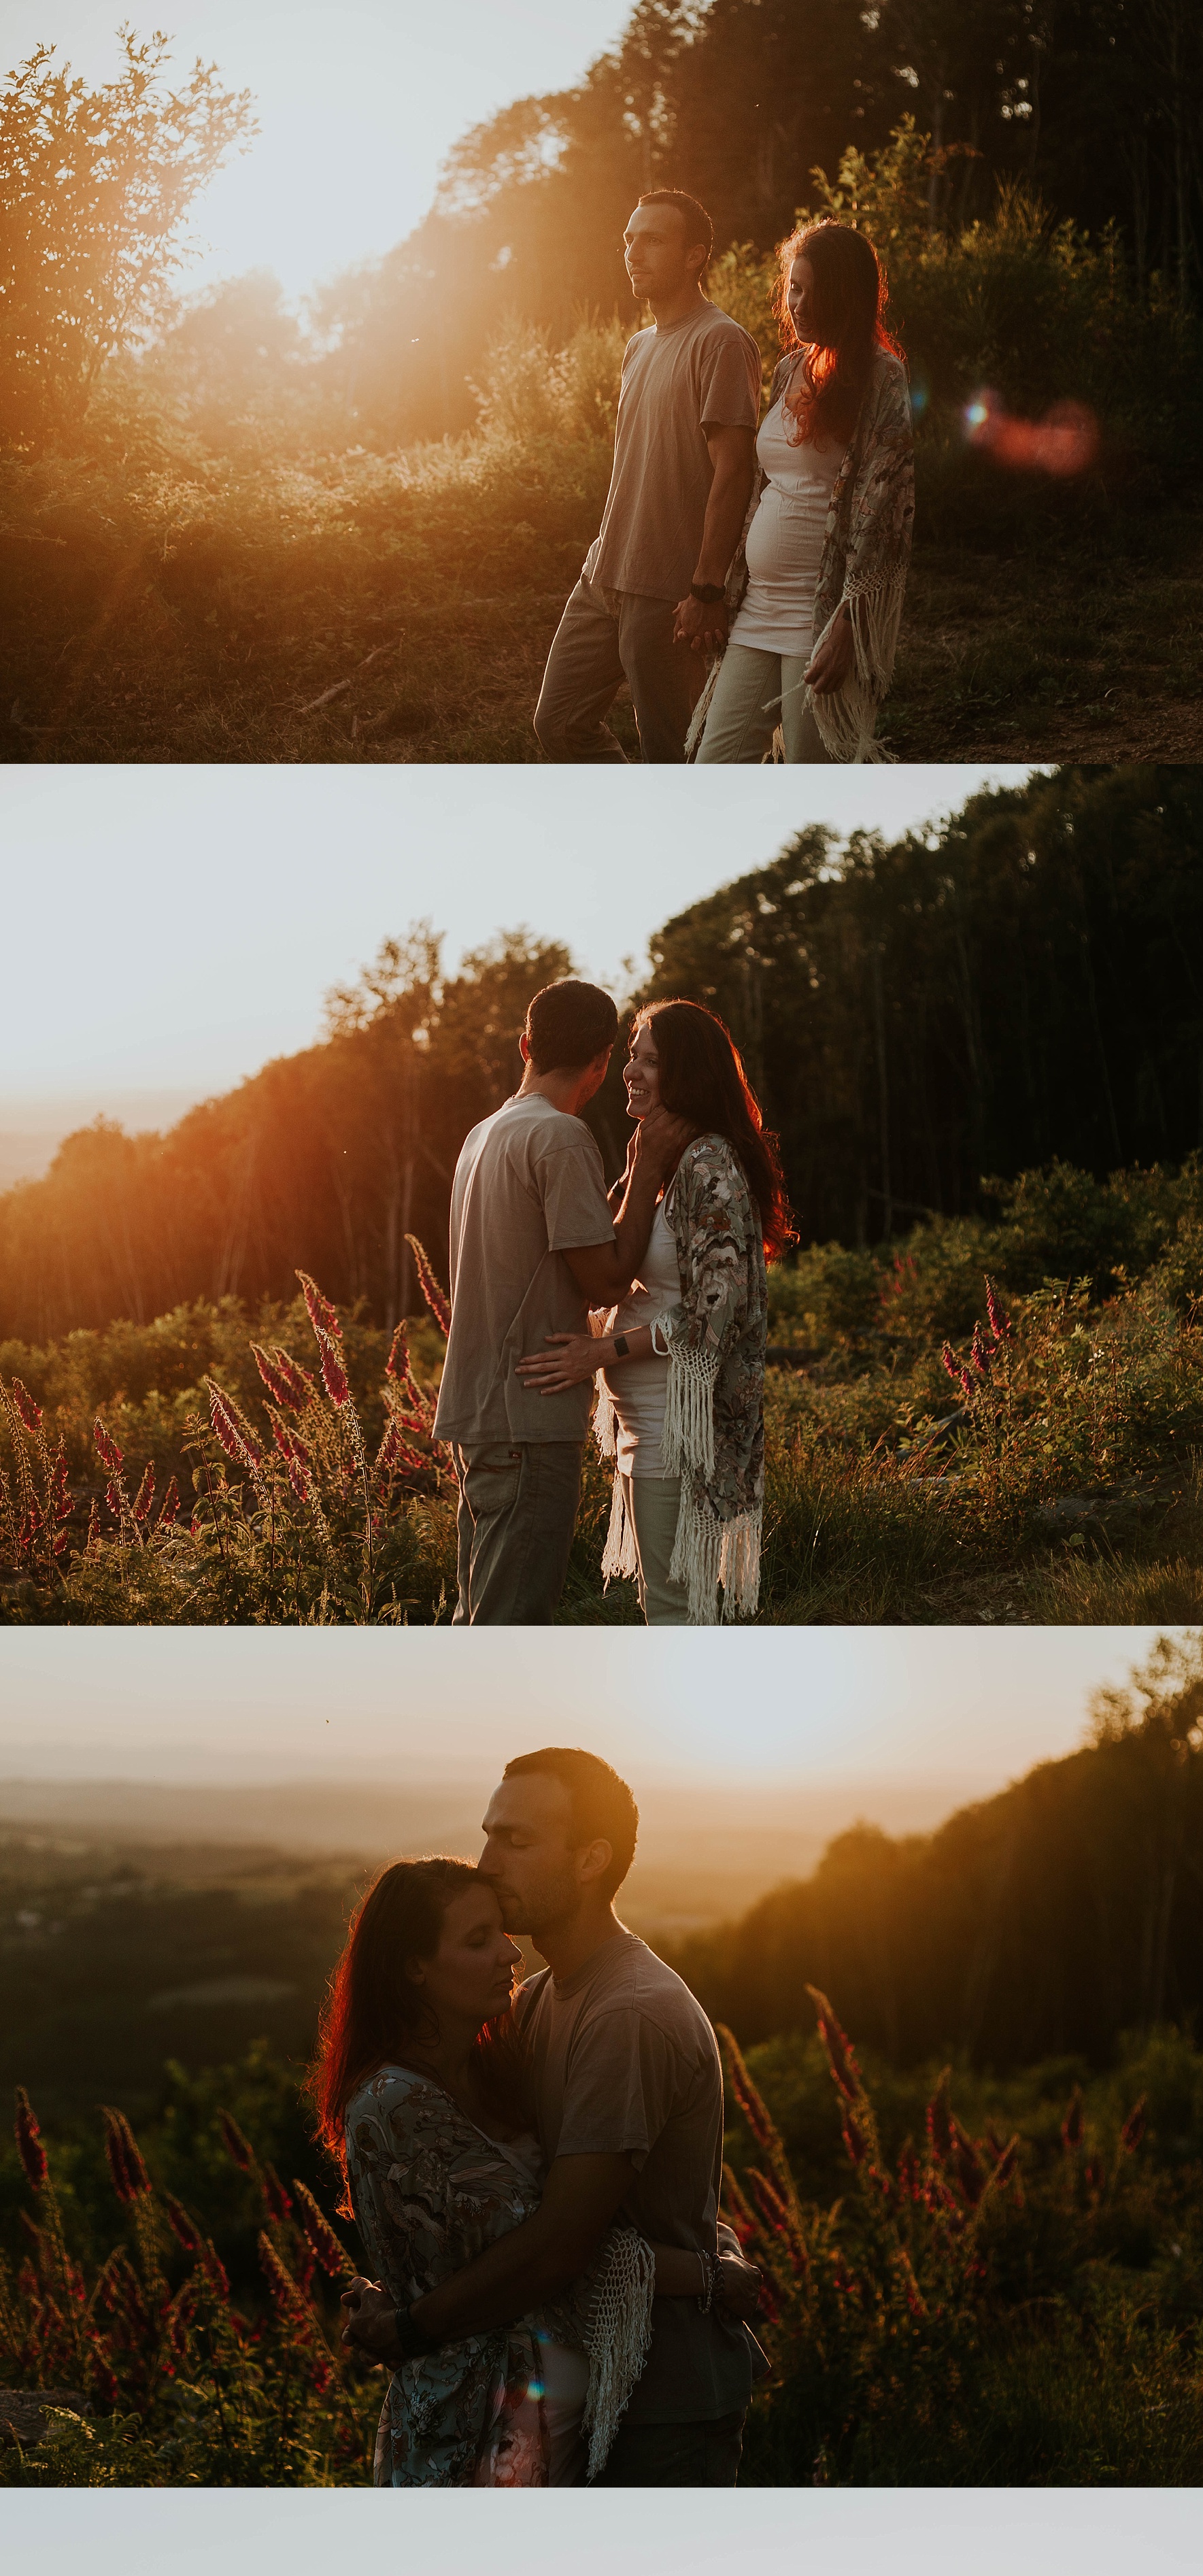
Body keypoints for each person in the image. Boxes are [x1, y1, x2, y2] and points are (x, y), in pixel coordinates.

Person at [338, 1749, 762, 2489]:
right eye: (489, 1834)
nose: (489, 1861)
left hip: (659, 2402)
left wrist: (410, 2325)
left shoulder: (628, 2013)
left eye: (517, 1841)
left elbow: (557, 2245)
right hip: (577, 2398)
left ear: (591, 1858)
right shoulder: (534, 2002)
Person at [314, 1855, 656, 2479]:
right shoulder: (394, 2102)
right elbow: (553, 2250)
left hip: (545, 2426)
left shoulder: (500, 2065)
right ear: (413, 1966)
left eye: (502, 1930)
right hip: (469, 2433)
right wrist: (704, 2272)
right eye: (478, 1940)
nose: (511, 1953)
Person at [517, 1003, 792, 1628]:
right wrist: (640, 1169)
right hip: (646, 1427)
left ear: (687, 1073)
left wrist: (598, 1353)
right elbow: (606, 1257)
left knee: (676, 1612)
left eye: (649, 1059)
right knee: (669, 1606)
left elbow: (713, 1311)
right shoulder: (664, 1158)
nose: (630, 1072)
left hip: (678, 1430)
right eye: (632, 1056)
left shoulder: (708, 1163)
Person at [535, 193, 759, 767]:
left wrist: (707, 590)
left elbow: (734, 473)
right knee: (558, 723)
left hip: (668, 591)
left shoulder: (721, 341)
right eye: (630, 239)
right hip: (603, 575)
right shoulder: (638, 346)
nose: (634, 251)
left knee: (670, 751)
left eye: (653, 239)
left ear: (694, 256)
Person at [429, 977, 622, 1625]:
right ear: (602, 1062)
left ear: (525, 1046)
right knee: (512, 1626)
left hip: (479, 1415)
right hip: (527, 1422)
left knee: (479, 1615)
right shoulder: (560, 1137)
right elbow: (604, 1281)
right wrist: (648, 1171)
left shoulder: (483, 1134)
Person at [691, 224, 914, 764]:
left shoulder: (883, 379)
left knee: (810, 772)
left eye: (816, 291)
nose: (800, 304)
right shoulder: (790, 368)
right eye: (794, 287)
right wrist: (718, 586)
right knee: (714, 762)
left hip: (819, 615)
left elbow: (886, 510)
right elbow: (764, 487)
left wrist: (849, 622)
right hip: (758, 607)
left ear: (851, 296)